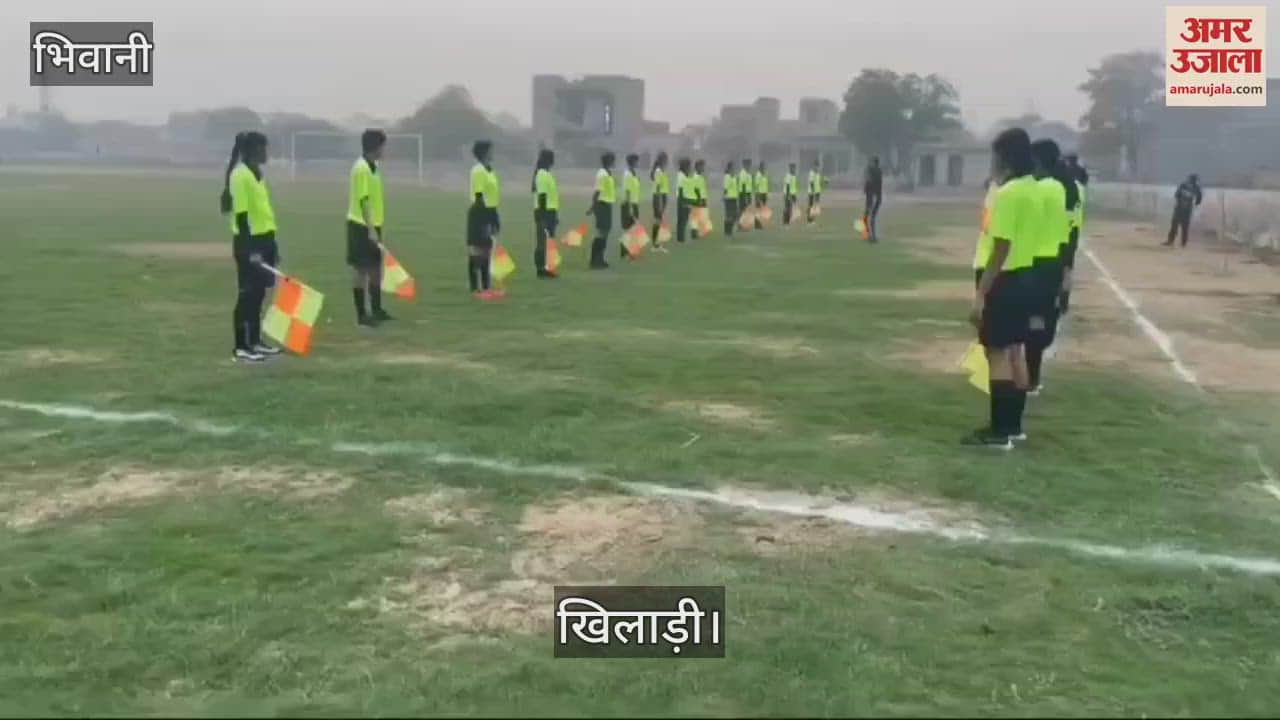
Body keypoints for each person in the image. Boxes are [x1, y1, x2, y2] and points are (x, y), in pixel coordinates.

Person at [965, 128, 1039, 449]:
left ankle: (999, 431)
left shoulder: (1009, 194)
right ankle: (1013, 426)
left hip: (1004, 278)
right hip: (1026, 275)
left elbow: (1001, 247)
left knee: (996, 352)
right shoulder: (1034, 189)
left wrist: (981, 294)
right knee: (1014, 351)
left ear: (1005, 157)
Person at [1026, 139, 1079, 396]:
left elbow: (1071, 228)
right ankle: (1031, 374)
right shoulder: (1065, 187)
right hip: (1053, 261)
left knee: (1035, 320)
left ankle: (1031, 375)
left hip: (1041, 262)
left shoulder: (1055, 188)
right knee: (1039, 318)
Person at [222, 131, 280, 363]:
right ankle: (241, 346)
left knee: (259, 294)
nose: (267, 153)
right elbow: (243, 216)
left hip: (266, 240)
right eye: (263, 148)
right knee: (247, 294)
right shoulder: (240, 175)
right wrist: (251, 251)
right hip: (249, 243)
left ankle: (255, 341)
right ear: (252, 150)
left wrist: (272, 245)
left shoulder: (258, 174)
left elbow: (263, 212)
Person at [347, 129, 390, 328]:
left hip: (374, 224)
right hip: (361, 225)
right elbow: (363, 200)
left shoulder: (374, 167)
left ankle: (377, 309)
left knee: (375, 268)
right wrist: (371, 228)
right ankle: (361, 314)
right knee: (361, 269)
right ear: (375, 146)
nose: (384, 149)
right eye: (382, 145)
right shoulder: (361, 168)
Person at [467, 140, 502, 299]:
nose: (493, 153)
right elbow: (479, 196)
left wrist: (494, 218)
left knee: (487, 251)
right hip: (479, 212)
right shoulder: (478, 171)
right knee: (477, 251)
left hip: (491, 211)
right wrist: (485, 220)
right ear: (484, 152)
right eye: (491, 150)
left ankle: (487, 287)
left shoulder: (490, 171)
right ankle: (475, 288)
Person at [532, 148, 559, 279]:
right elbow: (542, 196)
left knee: (549, 241)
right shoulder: (542, 174)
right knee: (542, 241)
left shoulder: (547, 174)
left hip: (551, 211)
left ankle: (547, 267)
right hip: (544, 211)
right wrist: (543, 217)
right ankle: (540, 269)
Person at [589, 152, 617, 268]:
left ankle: (600, 258)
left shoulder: (608, 173)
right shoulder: (602, 174)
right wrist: (593, 207)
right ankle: (594, 259)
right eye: (612, 160)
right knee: (601, 232)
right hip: (602, 205)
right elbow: (597, 192)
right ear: (609, 161)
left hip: (607, 204)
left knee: (605, 232)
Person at [1165, 173, 1202, 247]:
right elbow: (1199, 198)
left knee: (1178, 226)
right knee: (1180, 226)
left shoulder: (1188, 186)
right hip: (1184, 209)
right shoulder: (1192, 186)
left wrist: (1195, 203)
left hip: (1182, 209)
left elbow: (1177, 194)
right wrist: (1195, 204)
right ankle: (1180, 243)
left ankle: (1174, 242)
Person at [619, 153, 642, 259]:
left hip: (634, 202)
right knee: (630, 228)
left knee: (632, 228)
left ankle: (626, 250)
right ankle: (628, 252)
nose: (638, 163)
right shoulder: (628, 174)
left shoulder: (634, 174)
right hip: (629, 203)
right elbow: (627, 191)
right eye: (636, 161)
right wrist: (630, 208)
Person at [650, 152, 670, 252]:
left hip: (662, 197)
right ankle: (655, 245)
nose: (667, 162)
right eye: (666, 160)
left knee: (660, 221)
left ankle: (658, 244)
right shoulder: (658, 171)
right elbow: (657, 187)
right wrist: (659, 202)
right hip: (659, 198)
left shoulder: (662, 171)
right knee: (658, 221)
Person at [675, 157, 695, 243]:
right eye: (689, 166)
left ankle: (681, 238)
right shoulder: (681, 176)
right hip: (683, 199)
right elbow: (680, 189)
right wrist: (683, 201)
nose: (690, 168)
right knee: (682, 220)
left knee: (684, 219)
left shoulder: (685, 175)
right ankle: (680, 239)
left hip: (686, 199)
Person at [863, 156, 883, 242]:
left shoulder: (873, 172)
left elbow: (868, 179)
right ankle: (872, 235)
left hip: (872, 197)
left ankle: (870, 235)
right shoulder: (879, 171)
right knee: (872, 217)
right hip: (877, 197)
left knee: (868, 216)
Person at [693, 159, 709, 237]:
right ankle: (695, 233)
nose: (703, 168)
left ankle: (700, 232)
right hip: (698, 199)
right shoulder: (696, 177)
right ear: (697, 167)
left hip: (702, 199)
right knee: (697, 217)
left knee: (702, 217)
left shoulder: (701, 177)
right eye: (702, 166)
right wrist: (699, 199)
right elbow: (696, 189)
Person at [722, 160, 739, 237]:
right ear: (729, 169)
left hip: (734, 198)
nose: (733, 169)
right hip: (729, 198)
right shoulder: (727, 177)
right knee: (729, 215)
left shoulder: (734, 177)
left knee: (735, 215)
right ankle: (727, 231)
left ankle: (729, 230)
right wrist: (724, 196)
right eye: (732, 168)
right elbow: (725, 188)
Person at [737, 159, 754, 230]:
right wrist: (745, 196)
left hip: (748, 193)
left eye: (749, 164)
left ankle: (744, 225)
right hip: (743, 193)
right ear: (744, 165)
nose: (749, 166)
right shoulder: (743, 173)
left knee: (747, 210)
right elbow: (743, 185)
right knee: (743, 210)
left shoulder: (748, 173)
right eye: (747, 164)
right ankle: (740, 226)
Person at [753, 162, 769, 229]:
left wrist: (766, 194)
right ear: (760, 167)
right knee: (758, 210)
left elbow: (765, 185)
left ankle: (761, 224)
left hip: (764, 194)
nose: (763, 168)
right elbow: (756, 186)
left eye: (764, 167)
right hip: (759, 194)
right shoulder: (758, 175)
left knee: (762, 210)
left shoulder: (764, 175)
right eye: (762, 167)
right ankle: (757, 225)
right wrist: (757, 196)